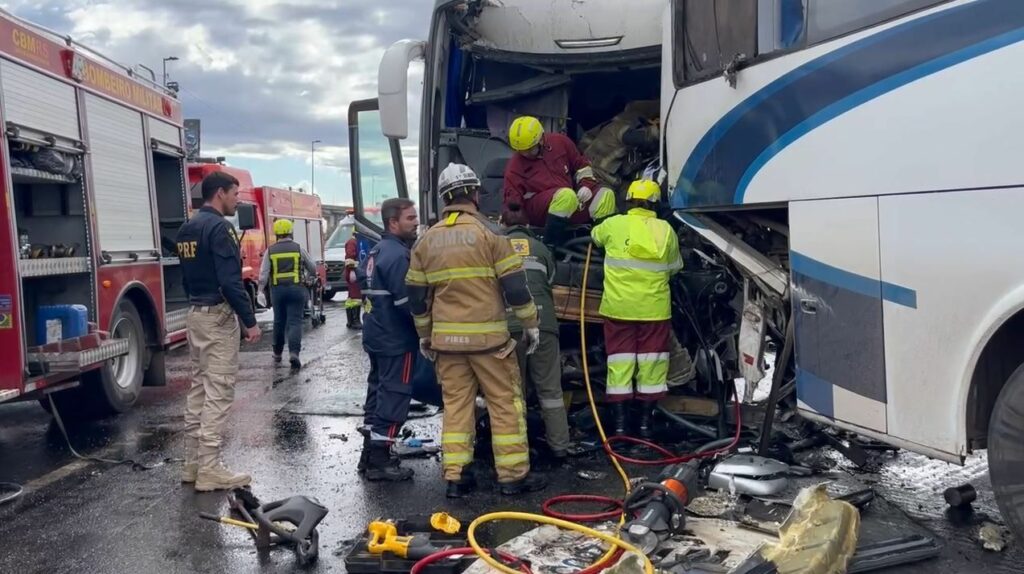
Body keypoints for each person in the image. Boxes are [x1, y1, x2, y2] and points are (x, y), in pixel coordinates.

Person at [407, 163, 548, 498]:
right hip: (490, 343)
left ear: (444, 198)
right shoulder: (492, 235)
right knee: (504, 405)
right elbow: (515, 288)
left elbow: (416, 297)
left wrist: (425, 335)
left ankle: (456, 479)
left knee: (456, 407)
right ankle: (512, 478)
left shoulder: (426, 241)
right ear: (473, 193)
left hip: (447, 344)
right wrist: (530, 325)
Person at [175, 171, 261, 492]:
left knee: (199, 388)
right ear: (220, 193)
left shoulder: (187, 229)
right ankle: (210, 468)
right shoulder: (219, 228)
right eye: (235, 194)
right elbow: (230, 281)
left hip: (196, 312)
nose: (237, 200)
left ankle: (192, 463)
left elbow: (185, 277)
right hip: (217, 316)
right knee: (219, 390)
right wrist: (248, 321)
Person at [591, 180, 683, 439]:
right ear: (655, 203)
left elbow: (594, 237)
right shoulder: (666, 231)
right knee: (652, 366)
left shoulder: (613, 224)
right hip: (654, 310)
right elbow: (675, 266)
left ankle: (620, 429)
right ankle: (645, 428)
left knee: (619, 363)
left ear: (629, 199)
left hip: (618, 308)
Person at [357, 197, 422, 481]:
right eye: (410, 218)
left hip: (376, 335)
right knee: (394, 394)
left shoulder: (375, 251)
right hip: (396, 339)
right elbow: (408, 303)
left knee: (377, 393)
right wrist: (427, 331)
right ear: (392, 223)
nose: (416, 222)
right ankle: (380, 460)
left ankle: (369, 453)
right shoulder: (398, 256)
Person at [502, 204, 572, 464]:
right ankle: (560, 449)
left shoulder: (494, 247)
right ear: (529, 225)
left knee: (512, 394)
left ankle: (517, 452)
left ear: (502, 223)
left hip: (510, 328)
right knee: (551, 392)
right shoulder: (541, 249)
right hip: (543, 327)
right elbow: (551, 280)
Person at [503, 115, 617, 243]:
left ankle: (602, 245)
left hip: (568, 204)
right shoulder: (515, 165)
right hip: (539, 213)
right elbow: (513, 203)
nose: (525, 154)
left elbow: (582, 166)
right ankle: (550, 246)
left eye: (529, 149)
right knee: (566, 195)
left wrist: (586, 186)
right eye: (521, 151)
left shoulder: (560, 142)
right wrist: (519, 227)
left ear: (541, 139)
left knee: (605, 195)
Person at [259, 218, 317, 370]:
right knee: (294, 322)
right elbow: (312, 267)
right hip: (297, 290)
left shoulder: (270, 251)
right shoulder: (298, 249)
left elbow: (264, 274)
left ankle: (277, 353)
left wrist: (260, 290)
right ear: (291, 232)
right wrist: (308, 276)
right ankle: (294, 353)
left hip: (277, 291)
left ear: (277, 234)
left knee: (279, 321)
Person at [345, 233, 363, 329]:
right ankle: (355, 321)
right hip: (354, 272)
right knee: (356, 297)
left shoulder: (353, 242)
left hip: (353, 271)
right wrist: (352, 270)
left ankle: (351, 321)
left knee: (351, 298)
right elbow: (350, 257)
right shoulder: (352, 242)